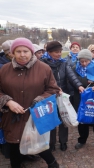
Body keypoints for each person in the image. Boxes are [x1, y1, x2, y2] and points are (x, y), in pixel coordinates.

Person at [0, 37, 60, 168]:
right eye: (18, 51)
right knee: (14, 144)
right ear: (12, 53)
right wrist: (8, 102)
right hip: (12, 117)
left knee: (38, 142)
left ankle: (53, 163)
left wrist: (39, 100)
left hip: (35, 114)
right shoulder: (4, 69)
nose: (22, 55)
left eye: (25, 51)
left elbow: (53, 89)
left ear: (31, 52)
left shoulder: (44, 68)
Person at [41, 41, 83, 152]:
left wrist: (79, 85)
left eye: (60, 51)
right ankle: (52, 143)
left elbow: (71, 76)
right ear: (49, 52)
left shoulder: (63, 63)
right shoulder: (42, 64)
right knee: (52, 120)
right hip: (49, 96)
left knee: (63, 118)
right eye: (56, 52)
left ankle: (63, 142)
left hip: (62, 95)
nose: (59, 54)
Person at [72, 49, 94, 150]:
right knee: (82, 121)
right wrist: (79, 86)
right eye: (81, 61)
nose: (84, 64)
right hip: (82, 99)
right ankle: (82, 140)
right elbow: (72, 80)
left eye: (86, 61)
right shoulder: (75, 68)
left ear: (90, 60)